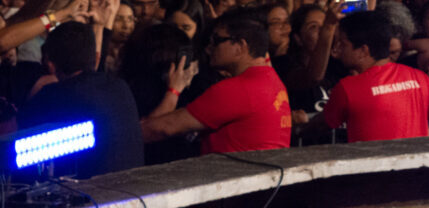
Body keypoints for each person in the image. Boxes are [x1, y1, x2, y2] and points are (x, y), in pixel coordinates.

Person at [140, 10, 292, 153]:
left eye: (217, 40)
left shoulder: (237, 89)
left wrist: (173, 91)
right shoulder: (272, 80)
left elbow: (160, 129)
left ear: (240, 47)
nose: (209, 48)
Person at [19, 21, 144, 177]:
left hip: (90, 197)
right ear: (96, 58)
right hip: (133, 190)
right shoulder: (119, 86)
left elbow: (16, 141)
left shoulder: (53, 96)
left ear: (50, 65)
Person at [319, 11, 429, 140]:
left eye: (343, 44)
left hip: (372, 170)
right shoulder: (417, 77)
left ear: (363, 51)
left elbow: (318, 126)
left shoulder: (347, 88)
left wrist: (300, 127)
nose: (337, 49)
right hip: (417, 169)